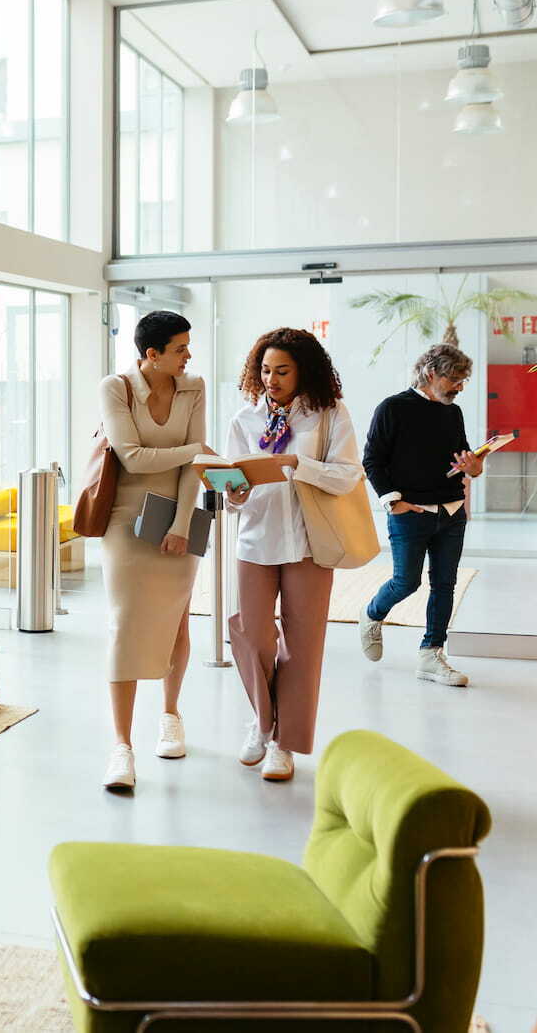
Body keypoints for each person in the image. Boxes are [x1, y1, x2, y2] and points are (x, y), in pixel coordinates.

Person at [221, 329, 363, 782]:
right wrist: (235, 492)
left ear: (304, 370)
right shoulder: (245, 419)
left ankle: (285, 745)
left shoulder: (329, 415)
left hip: (308, 542)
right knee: (250, 632)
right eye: (265, 370)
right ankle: (262, 724)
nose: (271, 379)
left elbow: (348, 476)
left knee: (302, 647)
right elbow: (230, 492)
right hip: (255, 541)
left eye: (282, 370)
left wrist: (300, 466)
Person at [97, 310, 212, 791]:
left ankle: (170, 715)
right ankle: (122, 746)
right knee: (127, 625)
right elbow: (132, 457)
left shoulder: (194, 387)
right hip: (126, 516)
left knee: (177, 622)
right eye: (181, 348)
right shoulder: (115, 388)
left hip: (181, 513)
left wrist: (183, 524)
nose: (189, 355)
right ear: (152, 354)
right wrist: (193, 449)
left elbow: (194, 468)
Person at [358, 344, 484, 687]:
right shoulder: (393, 408)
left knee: (445, 584)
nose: (459, 386)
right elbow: (372, 460)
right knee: (407, 582)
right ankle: (371, 614)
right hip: (410, 513)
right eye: (454, 379)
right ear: (431, 373)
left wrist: (474, 466)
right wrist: (392, 501)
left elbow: (462, 457)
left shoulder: (451, 412)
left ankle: (431, 653)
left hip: (452, 511)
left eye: (463, 380)